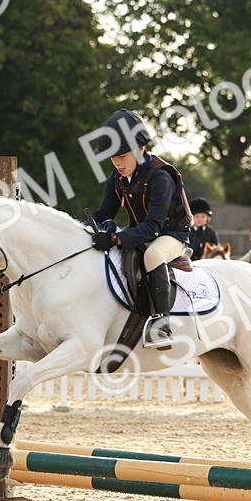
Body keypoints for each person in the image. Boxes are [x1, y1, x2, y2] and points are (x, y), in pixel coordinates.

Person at [90, 108, 192, 349]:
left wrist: (115, 238)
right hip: (141, 231)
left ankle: (162, 325)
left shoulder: (160, 176)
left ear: (140, 149)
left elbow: (153, 227)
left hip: (170, 234)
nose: (116, 162)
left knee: (153, 255)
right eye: (112, 157)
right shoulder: (117, 177)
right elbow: (103, 214)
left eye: (122, 155)